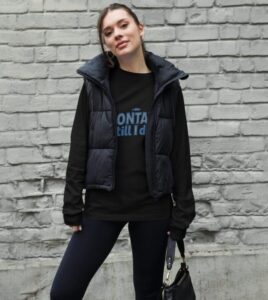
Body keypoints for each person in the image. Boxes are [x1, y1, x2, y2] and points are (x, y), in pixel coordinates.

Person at [50, 3, 196, 300]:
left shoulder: (167, 86)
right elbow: (80, 143)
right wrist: (72, 202)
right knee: (64, 291)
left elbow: (180, 152)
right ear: (105, 43)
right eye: (108, 32)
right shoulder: (95, 84)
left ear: (140, 28)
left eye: (123, 25)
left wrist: (182, 212)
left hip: (153, 207)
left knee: (148, 293)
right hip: (103, 204)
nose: (117, 33)